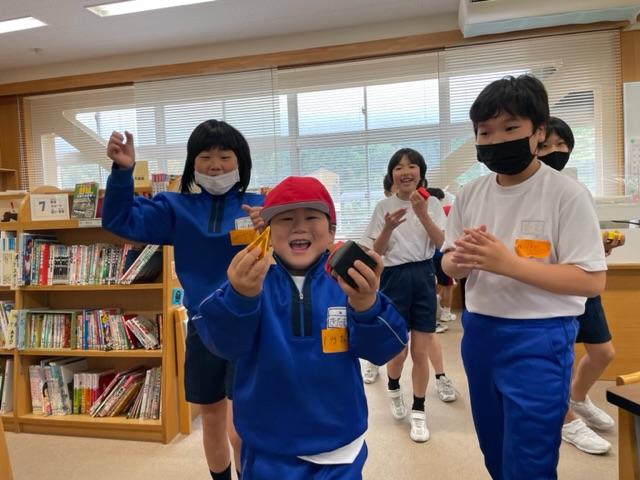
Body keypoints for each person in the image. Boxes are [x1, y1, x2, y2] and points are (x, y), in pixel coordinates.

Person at [442, 75, 607, 479]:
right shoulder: (471, 193)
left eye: (510, 128)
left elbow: (591, 281)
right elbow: (447, 263)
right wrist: (459, 263)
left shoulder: (566, 193)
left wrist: (507, 263)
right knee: (494, 449)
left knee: (530, 457)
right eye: (485, 132)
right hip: (479, 332)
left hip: (540, 337)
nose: (496, 140)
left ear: (539, 132)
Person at [192, 176, 408, 479]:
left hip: (339, 445)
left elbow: (386, 348)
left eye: (311, 217)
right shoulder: (252, 282)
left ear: (331, 230)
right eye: (286, 219)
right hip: (267, 444)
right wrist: (240, 297)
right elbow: (223, 344)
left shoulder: (346, 284)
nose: (299, 227)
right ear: (267, 233)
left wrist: (366, 303)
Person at [102, 120, 263, 480]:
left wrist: (269, 226)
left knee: (241, 427)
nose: (215, 165)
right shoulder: (174, 207)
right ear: (193, 164)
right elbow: (120, 220)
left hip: (250, 328)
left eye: (225, 156)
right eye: (205, 157)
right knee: (212, 418)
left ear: (241, 162)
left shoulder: (260, 207)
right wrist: (123, 172)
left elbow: (301, 246)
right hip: (203, 328)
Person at [538, 116, 624, 455]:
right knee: (556, 360)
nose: (555, 151)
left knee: (603, 352)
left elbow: (580, 241)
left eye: (562, 144)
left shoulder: (577, 190)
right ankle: (566, 420)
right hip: (549, 287)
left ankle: (577, 396)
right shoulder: (532, 191)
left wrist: (600, 246)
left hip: (582, 283)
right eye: (546, 145)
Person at [360, 148, 458, 444]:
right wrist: (389, 227)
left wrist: (422, 213)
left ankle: (419, 410)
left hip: (424, 275)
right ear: (392, 175)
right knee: (399, 350)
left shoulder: (433, 203)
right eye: (399, 167)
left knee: (420, 351)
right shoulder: (384, 206)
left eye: (411, 166)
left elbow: (442, 243)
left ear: (421, 172)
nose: (405, 171)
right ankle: (393, 387)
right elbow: (376, 251)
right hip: (393, 277)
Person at [427, 187, 457, 325]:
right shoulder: (446, 210)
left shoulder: (423, 212)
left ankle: (437, 303)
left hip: (429, 254)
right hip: (442, 252)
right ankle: (446, 312)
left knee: (435, 284)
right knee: (449, 284)